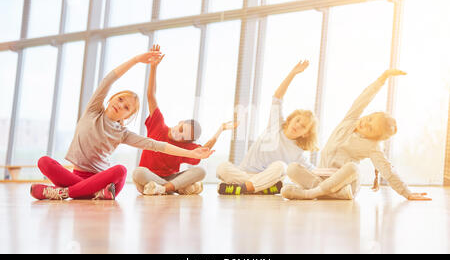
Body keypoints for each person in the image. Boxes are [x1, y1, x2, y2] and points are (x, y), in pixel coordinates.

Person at [31, 51, 213, 201]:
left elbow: (157, 145)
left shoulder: (122, 133)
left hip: (99, 179)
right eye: (120, 99)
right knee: (44, 162)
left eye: (127, 107)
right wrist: (136, 60)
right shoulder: (93, 110)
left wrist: (190, 153)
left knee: (121, 171)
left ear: (128, 115)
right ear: (111, 98)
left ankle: (64, 193)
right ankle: (87, 193)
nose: (120, 105)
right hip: (77, 177)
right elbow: (109, 79)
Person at [281, 69, 431, 201]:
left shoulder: (372, 147)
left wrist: (407, 193)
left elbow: (388, 170)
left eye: (371, 128)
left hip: (345, 184)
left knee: (353, 167)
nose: (366, 123)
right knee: (292, 168)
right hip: (321, 177)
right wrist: (383, 78)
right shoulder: (350, 120)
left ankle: (310, 194)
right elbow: (364, 97)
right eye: (370, 119)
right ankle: (324, 193)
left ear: (374, 137)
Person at [133, 45, 238, 195]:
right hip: (149, 176)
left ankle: (164, 189)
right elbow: (151, 96)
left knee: (200, 171)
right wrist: (154, 68)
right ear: (180, 122)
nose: (179, 135)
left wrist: (220, 130)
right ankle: (176, 187)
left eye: (184, 138)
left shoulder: (184, 148)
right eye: (182, 129)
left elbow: (203, 150)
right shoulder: (158, 124)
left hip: (169, 178)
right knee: (138, 173)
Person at [216, 59, 319, 195]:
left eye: (303, 126)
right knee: (222, 168)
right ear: (291, 119)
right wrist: (293, 73)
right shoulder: (276, 124)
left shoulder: (297, 153)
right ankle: (257, 188)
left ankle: (244, 188)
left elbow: (314, 171)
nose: (298, 125)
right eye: (298, 120)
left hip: (269, 176)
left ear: (305, 133)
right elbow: (277, 96)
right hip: (247, 174)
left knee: (281, 167)